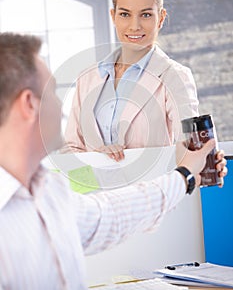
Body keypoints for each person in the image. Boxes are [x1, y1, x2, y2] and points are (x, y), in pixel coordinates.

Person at [0, 32, 227, 290]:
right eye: (51, 92)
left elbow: (110, 215)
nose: (61, 106)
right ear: (29, 104)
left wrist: (185, 175)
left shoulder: (49, 192)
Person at [63, 0, 199, 161]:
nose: (134, 26)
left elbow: (189, 148)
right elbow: (71, 149)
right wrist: (96, 161)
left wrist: (204, 161)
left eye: (145, 14)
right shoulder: (88, 77)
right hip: (95, 190)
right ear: (113, 16)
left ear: (160, 18)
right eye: (125, 14)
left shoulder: (175, 77)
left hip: (151, 189)